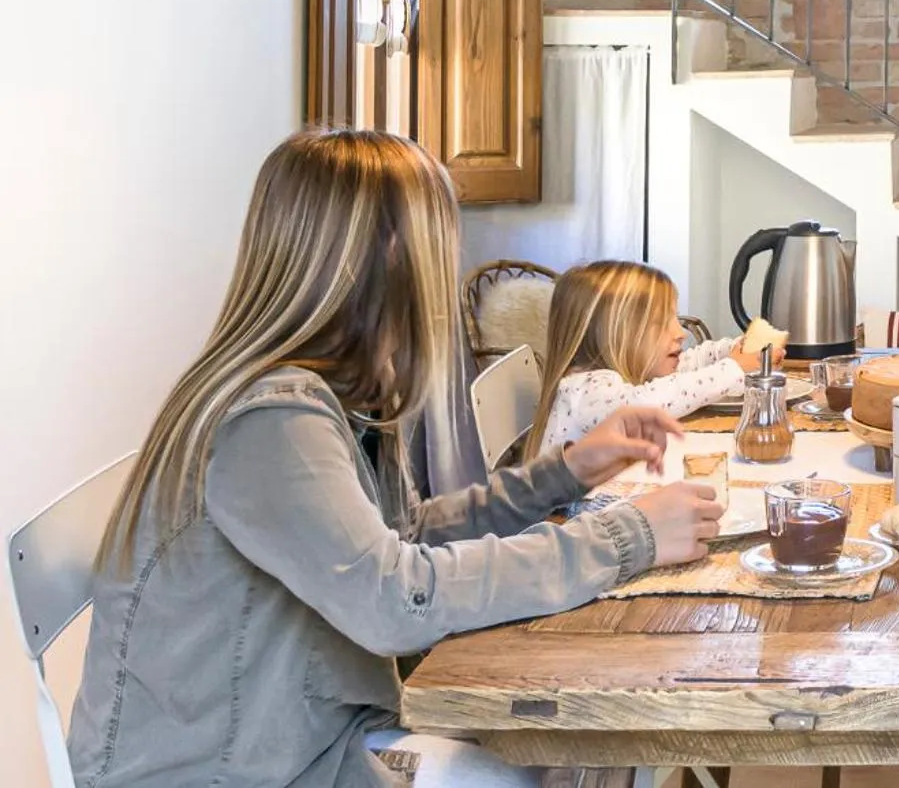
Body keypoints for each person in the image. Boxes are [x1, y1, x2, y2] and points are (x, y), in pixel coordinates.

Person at [68, 130, 723, 788]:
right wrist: (626, 535)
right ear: (388, 254)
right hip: (238, 770)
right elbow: (396, 599)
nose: (445, 261)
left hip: (306, 739)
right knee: (575, 752)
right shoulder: (270, 417)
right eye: (437, 238)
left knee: (581, 747)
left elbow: (405, 535)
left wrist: (569, 469)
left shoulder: (325, 393)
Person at [526, 258, 778, 486]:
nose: (680, 333)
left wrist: (730, 352)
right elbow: (646, 404)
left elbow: (683, 368)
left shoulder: (623, 375)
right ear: (617, 336)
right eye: (660, 323)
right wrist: (732, 369)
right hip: (569, 526)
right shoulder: (587, 389)